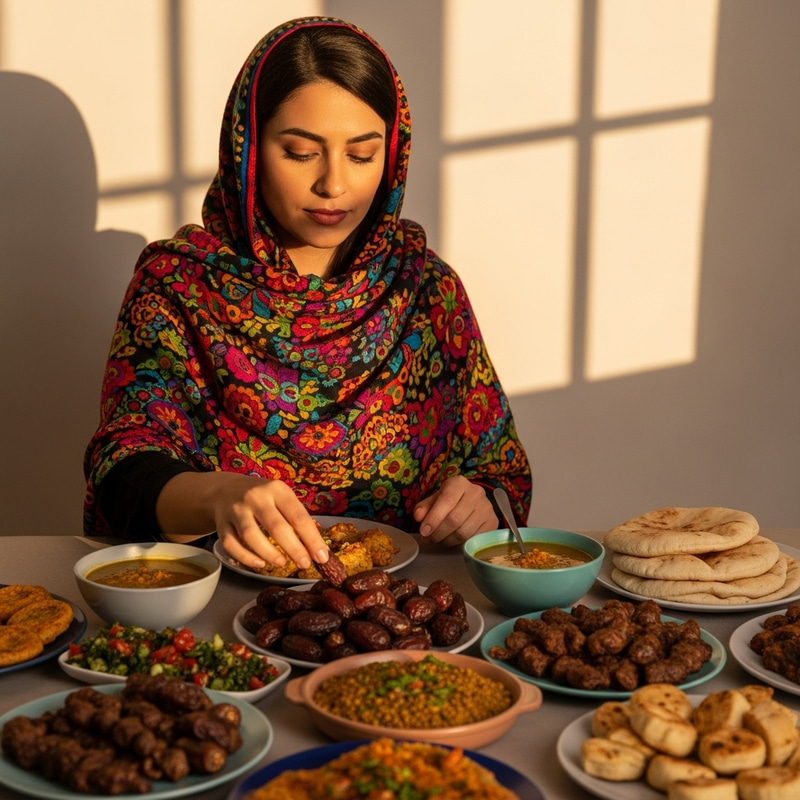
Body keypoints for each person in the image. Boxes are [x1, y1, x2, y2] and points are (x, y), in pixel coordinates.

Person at [83, 16, 531, 573]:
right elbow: (123, 471)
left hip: (403, 617)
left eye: (363, 155)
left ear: (391, 158)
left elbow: (500, 475)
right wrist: (218, 497)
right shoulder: (178, 286)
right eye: (300, 152)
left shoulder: (425, 289)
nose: (334, 185)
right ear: (247, 151)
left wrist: (481, 503)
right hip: (220, 612)